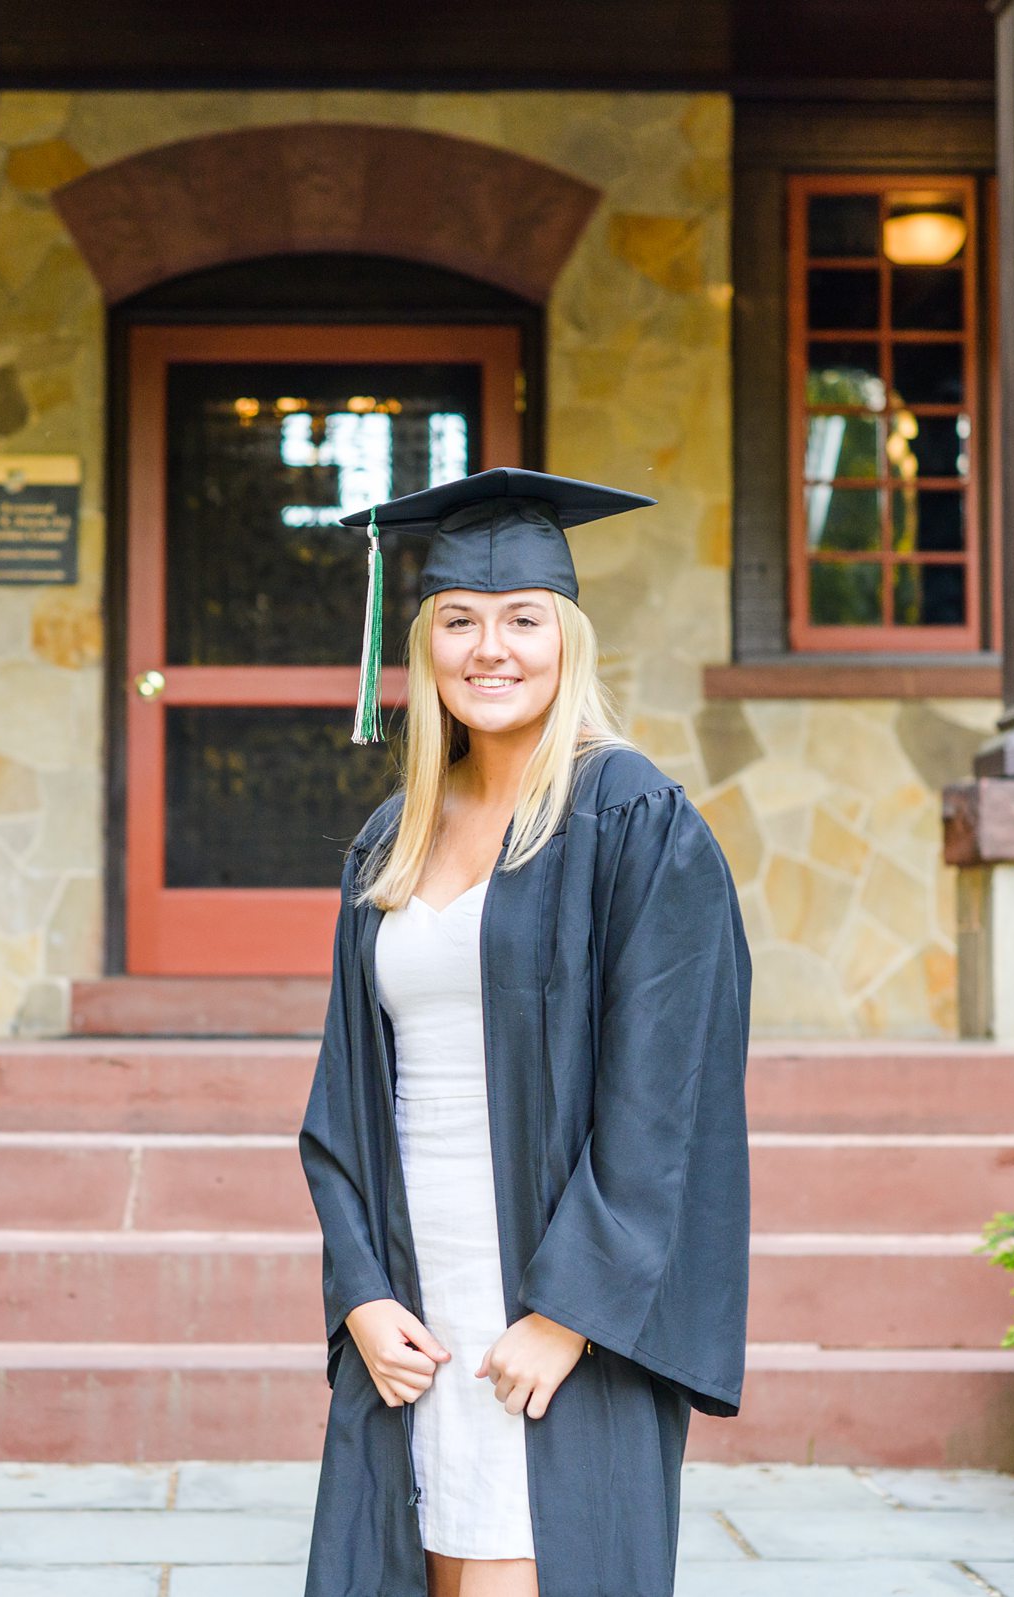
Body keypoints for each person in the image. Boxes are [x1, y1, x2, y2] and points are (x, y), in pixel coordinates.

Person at [298, 468, 753, 1597]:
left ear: (569, 638)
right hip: (417, 1301)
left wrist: (568, 1313)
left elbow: (667, 1095)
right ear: (422, 643)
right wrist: (360, 1290)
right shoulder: (389, 838)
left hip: (556, 1309)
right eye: (458, 619)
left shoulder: (632, 818)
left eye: (521, 619)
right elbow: (344, 1097)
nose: (488, 648)